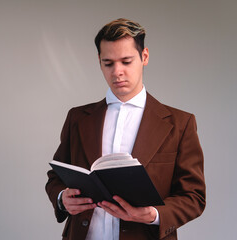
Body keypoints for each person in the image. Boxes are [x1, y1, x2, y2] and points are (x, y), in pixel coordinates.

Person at [45, 18, 205, 240]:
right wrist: (63, 198)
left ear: (144, 57)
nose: (117, 72)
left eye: (126, 61)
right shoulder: (77, 118)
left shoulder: (180, 123)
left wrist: (153, 214)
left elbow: (194, 196)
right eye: (108, 63)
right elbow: (56, 176)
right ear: (99, 61)